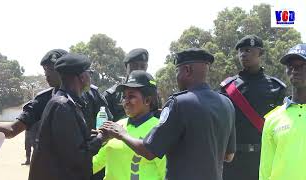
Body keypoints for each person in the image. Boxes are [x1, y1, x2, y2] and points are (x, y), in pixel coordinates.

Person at [101, 48, 236, 180]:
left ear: (187, 70)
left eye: (177, 71)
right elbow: (229, 156)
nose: (176, 77)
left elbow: (149, 151)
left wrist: (122, 134)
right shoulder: (226, 103)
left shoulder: (179, 103)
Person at [29, 53, 107, 180]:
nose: (90, 77)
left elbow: (67, 146)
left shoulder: (66, 102)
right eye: (90, 73)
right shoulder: (62, 106)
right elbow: (77, 157)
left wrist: (90, 138)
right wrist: (101, 138)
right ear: (82, 77)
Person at [220, 35, 287, 180]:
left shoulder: (276, 88)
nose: (243, 54)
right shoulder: (228, 88)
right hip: (233, 162)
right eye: (240, 51)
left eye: (248, 50)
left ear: (260, 53)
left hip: (264, 157)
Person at [93, 70, 166, 180]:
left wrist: (123, 135)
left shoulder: (160, 129)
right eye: (124, 97)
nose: (126, 101)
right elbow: (95, 164)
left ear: (147, 100)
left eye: (131, 96)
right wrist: (94, 143)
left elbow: (166, 173)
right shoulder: (116, 126)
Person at [259, 44, 306, 180]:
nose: (295, 70)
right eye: (290, 66)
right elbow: (265, 169)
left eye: (302, 65)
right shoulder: (272, 119)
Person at [104, 48, 149, 121]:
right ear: (126, 67)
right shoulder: (111, 95)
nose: (138, 69)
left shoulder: (151, 92)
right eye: (134, 66)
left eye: (142, 66)